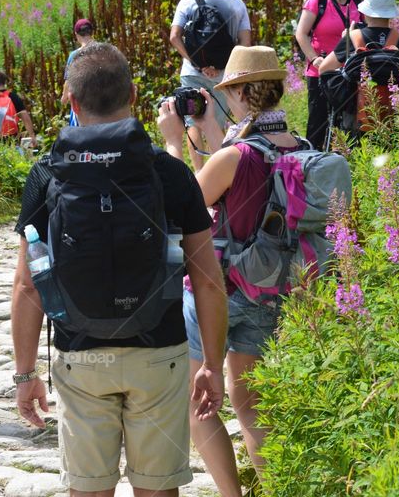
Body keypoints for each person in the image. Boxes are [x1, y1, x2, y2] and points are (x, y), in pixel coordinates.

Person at [13, 42, 229, 496]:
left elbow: (27, 287)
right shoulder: (169, 173)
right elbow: (208, 281)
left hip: (80, 354)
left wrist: (26, 374)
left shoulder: (46, 174)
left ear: (72, 101)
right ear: (132, 94)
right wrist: (211, 364)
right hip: (160, 353)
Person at [157, 46, 300, 491]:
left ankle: (231, 493)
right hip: (269, 289)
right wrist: (211, 136)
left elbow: (182, 208)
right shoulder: (300, 147)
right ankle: (272, 486)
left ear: (239, 91)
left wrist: (174, 144)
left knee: (198, 404)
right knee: (250, 403)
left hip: (216, 291)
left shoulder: (236, 156)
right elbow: (229, 197)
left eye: (228, 91)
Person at [170, 0, 252, 172]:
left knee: (193, 121)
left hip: (192, 72)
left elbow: (174, 37)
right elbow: (245, 43)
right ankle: (220, 173)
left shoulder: (187, 1)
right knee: (220, 122)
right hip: (225, 74)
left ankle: (198, 173)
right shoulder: (236, 3)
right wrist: (223, 67)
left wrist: (196, 63)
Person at [317, 0, 399, 135]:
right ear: (390, 13)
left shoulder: (353, 37)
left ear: (366, 12)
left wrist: (346, 41)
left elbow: (324, 69)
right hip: (394, 115)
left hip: (357, 116)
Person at [294, 0, 362, 150]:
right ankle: (312, 160)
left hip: (349, 73)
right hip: (321, 73)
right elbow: (301, 33)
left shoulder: (357, 3)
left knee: (347, 124)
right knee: (318, 123)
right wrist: (315, 59)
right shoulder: (319, 0)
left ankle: (342, 163)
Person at [0, 70, 37, 146]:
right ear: (5, 81)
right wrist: (32, 135)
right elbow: (25, 116)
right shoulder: (13, 96)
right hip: (13, 139)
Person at [60, 18, 95, 127]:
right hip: (102, 103)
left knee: (80, 138)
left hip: (81, 104)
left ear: (76, 34)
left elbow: (69, 81)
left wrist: (64, 97)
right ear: (92, 32)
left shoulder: (74, 55)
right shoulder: (104, 50)